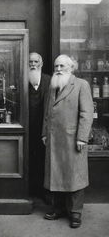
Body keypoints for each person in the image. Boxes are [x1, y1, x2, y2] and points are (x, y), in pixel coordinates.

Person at [42, 54, 93, 228]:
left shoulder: (81, 85)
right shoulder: (53, 85)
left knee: (75, 176)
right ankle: (58, 209)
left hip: (73, 140)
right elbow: (47, 112)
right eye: (56, 66)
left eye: (62, 66)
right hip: (54, 139)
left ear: (71, 68)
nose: (58, 70)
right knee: (56, 174)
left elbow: (86, 114)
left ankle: (75, 213)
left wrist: (82, 138)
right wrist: (44, 133)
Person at [28, 52, 50, 200]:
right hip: (27, 127)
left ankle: (44, 192)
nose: (33, 64)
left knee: (44, 160)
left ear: (41, 63)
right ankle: (29, 191)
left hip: (44, 128)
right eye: (30, 62)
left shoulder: (49, 80)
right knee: (28, 159)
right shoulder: (21, 79)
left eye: (36, 61)